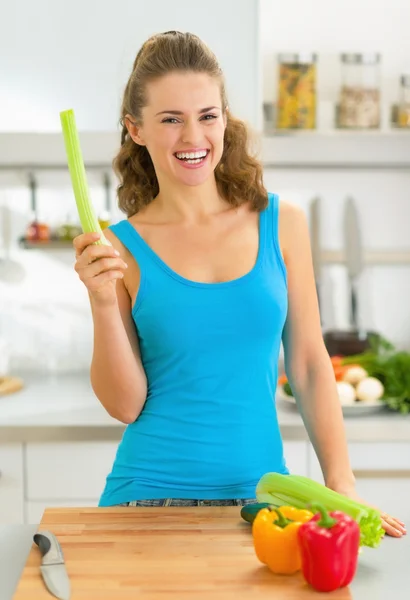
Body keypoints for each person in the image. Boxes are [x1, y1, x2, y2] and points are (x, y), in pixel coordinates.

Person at [73, 31, 405, 537]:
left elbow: (311, 364)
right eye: (170, 119)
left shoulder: (282, 223)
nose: (193, 137)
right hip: (144, 499)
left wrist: (341, 481)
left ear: (225, 119)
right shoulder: (116, 248)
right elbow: (125, 405)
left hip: (262, 500)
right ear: (135, 129)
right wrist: (100, 300)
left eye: (207, 115)